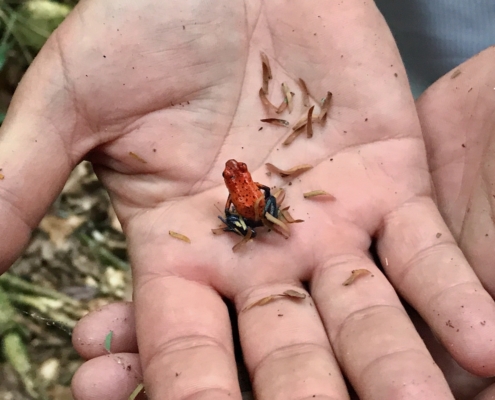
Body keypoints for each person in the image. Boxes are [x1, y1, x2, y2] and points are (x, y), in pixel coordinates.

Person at [1, 1, 494, 399]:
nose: (236, 172)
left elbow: (258, 197)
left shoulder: (259, 186)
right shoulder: (240, 189)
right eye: (233, 172)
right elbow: (244, 202)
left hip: (416, 91)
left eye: (237, 170)